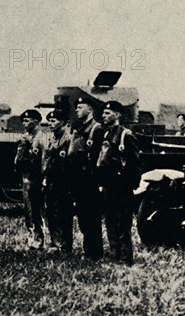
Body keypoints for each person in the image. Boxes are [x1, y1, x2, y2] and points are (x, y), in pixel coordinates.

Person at [96, 101, 142, 266]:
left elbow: (136, 163)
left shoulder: (126, 135)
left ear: (117, 115)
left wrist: (130, 185)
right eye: (103, 113)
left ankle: (125, 258)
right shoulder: (106, 134)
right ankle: (114, 255)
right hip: (109, 185)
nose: (103, 116)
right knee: (110, 221)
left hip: (122, 186)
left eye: (108, 113)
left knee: (123, 223)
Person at [68, 97, 104, 260]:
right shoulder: (79, 129)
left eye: (80, 107)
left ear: (90, 109)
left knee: (91, 218)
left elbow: (99, 159)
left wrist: (97, 181)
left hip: (90, 181)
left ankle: (94, 253)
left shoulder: (97, 129)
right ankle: (88, 250)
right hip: (78, 180)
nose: (77, 110)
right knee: (83, 217)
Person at [14, 109, 46, 249]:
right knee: (28, 210)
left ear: (36, 122)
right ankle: (31, 238)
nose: (24, 124)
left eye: (27, 121)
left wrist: (44, 178)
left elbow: (44, 159)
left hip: (36, 178)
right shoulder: (26, 137)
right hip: (26, 177)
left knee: (36, 210)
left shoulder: (41, 137)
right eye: (24, 121)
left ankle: (39, 239)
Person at [42, 110, 72, 253]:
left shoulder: (68, 138)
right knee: (51, 212)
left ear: (63, 122)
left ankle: (65, 245)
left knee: (64, 213)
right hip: (51, 179)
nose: (50, 123)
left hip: (64, 181)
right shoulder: (50, 138)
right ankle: (55, 242)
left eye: (54, 121)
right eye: (50, 121)